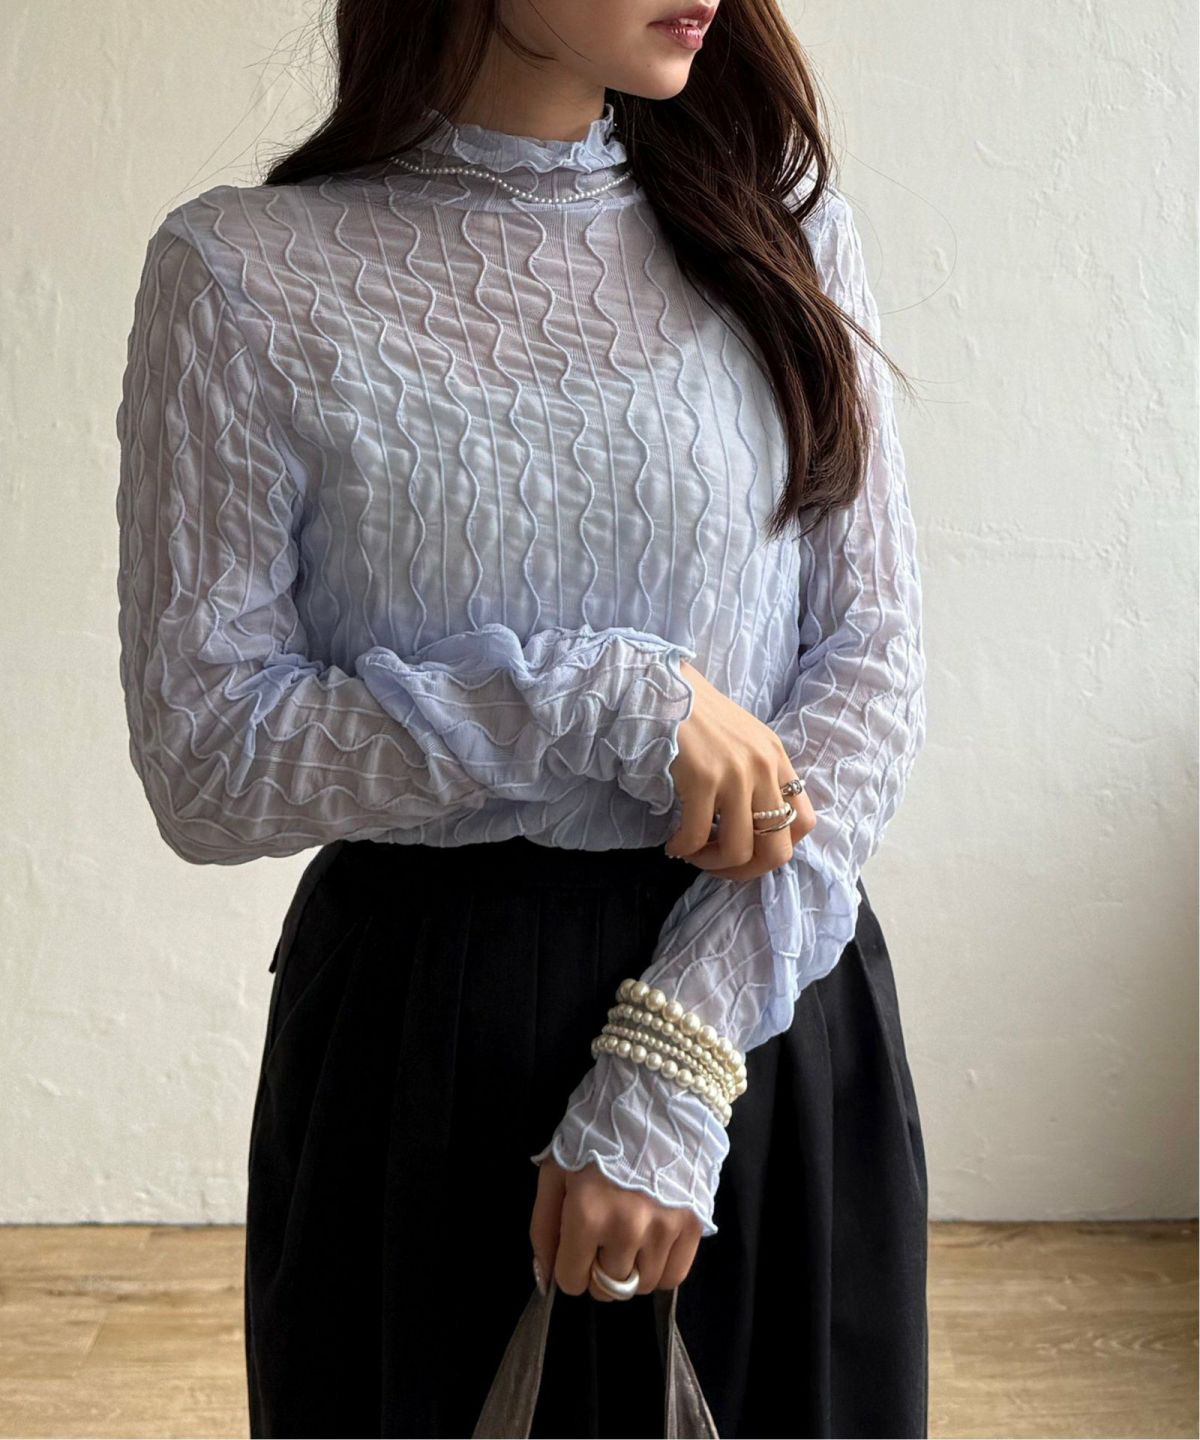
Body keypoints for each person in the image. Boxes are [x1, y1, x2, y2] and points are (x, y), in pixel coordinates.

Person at [114, 1, 930, 1435]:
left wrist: (675, 1065)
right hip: (422, 1055)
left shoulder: (782, 236)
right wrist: (594, 698)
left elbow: (871, 670)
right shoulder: (243, 276)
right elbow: (208, 759)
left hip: (760, 1005)